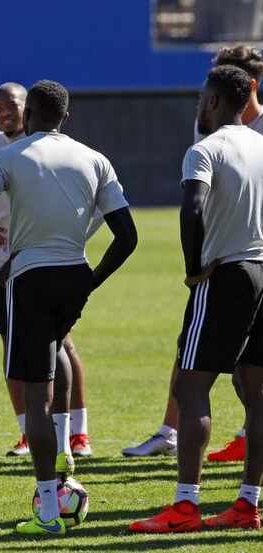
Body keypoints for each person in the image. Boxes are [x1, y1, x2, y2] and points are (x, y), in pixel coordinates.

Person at [0, 80, 137, 535]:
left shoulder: (7, 156)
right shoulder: (94, 157)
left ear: (30, 113)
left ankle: (49, 514)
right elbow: (127, 236)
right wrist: (91, 280)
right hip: (74, 274)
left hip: (30, 277)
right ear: (66, 116)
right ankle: (65, 445)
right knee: (58, 346)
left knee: (32, 390)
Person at [131, 65, 263, 533]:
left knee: (191, 388)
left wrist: (192, 269)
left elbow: (193, 207)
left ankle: (185, 507)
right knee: (256, 392)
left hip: (226, 276)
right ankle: (248, 504)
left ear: (211, 102)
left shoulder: (204, 149)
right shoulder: (262, 143)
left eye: (200, 100)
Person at [0, 83, 96, 458]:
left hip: (47, 261)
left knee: (63, 343)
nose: (3, 112)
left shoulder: (60, 152)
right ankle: (27, 431)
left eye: (11, 105)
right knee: (13, 348)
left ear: (29, 109)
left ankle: (76, 432)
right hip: (6, 265)